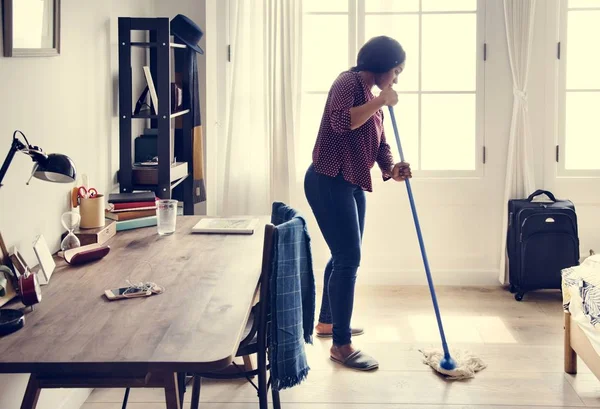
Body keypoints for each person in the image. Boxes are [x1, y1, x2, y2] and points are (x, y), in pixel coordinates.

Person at [304, 36, 411, 371]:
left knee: (343, 255)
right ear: (380, 66)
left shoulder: (370, 94)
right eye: (395, 71)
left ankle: (327, 323)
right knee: (349, 258)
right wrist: (381, 101)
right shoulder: (348, 81)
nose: (396, 79)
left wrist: (391, 168)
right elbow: (341, 122)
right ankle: (341, 344)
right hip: (327, 178)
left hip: (351, 181)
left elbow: (377, 139)